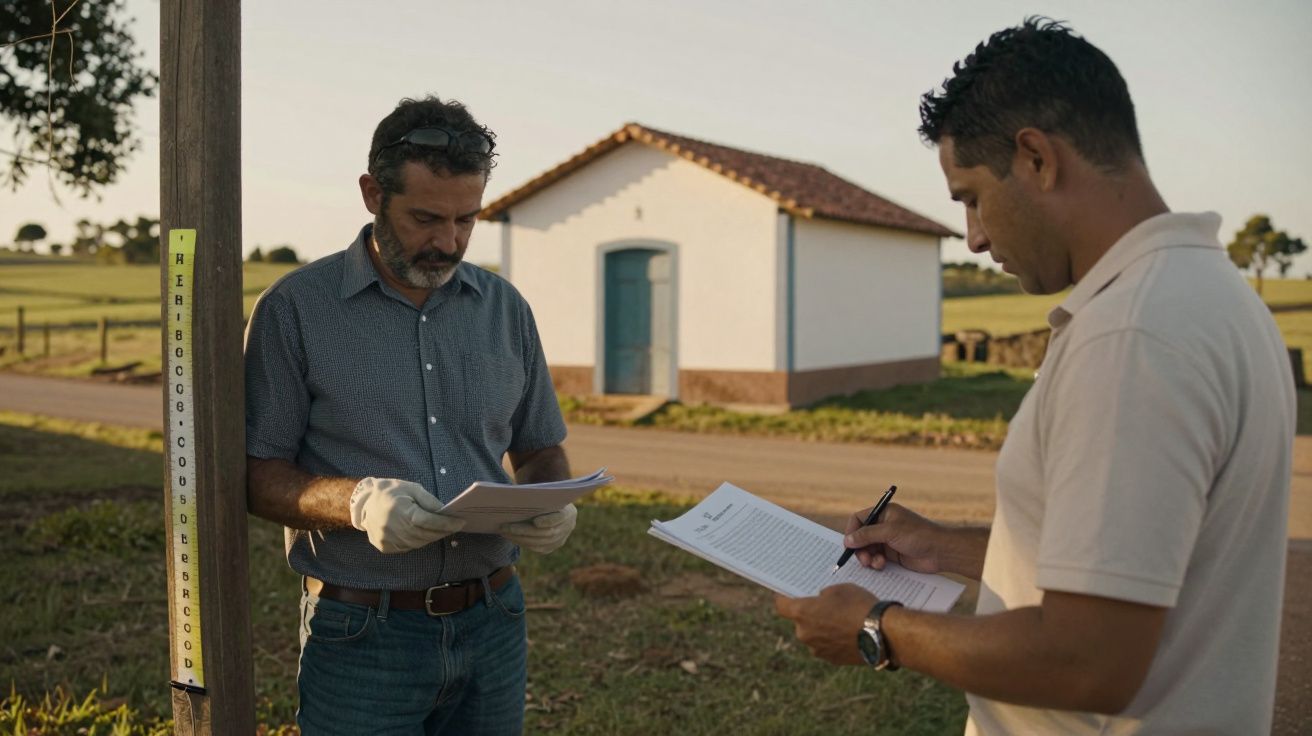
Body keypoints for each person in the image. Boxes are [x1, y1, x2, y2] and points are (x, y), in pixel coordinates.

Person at [775, 18, 1294, 734]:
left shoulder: (1131, 337)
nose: (975, 237)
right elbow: (1134, 568)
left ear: (1036, 159)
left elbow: (1090, 658)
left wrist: (877, 626)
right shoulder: (1210, 294)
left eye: (971, 197)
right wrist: (943, 548)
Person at [244, 95, 576, 735]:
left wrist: (546, 498)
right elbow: (258, 475)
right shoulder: (295, 310)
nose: (447, 242)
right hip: (363, 632)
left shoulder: (505, 308)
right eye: (426, 218)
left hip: (495, 616)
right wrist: (357, 504)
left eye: (467, 220)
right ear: (372, 194)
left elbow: (539, 449)